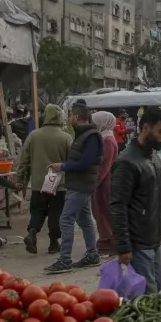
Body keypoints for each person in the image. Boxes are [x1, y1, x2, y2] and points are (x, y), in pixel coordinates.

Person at [110, 107, 161, 293]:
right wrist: (123, 246)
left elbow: (156, 197)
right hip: (138, 243)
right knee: (147, 295)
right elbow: (118, 206)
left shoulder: (154, 158)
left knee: (156, 287)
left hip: (153, 239)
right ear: (146, 128)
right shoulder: (126, 162)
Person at [44, 102, 103, 274]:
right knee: (84, 220)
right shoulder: (82, 135)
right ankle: (92, 254)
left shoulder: (91, 136)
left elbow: (86, 163)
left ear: (76, 117)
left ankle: (64, 260)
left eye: (70, 116)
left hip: (81, 185)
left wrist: (63, 167)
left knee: (66, 219)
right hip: (78, 184)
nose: (69, 119)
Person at [17, 104, 72, 255]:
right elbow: (72, 161)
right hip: (57, 180)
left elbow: (24, 160)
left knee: (37, 210)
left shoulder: (33, 135)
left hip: (39, 181)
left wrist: (21, 178)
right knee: (56, 212)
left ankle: (32, 233)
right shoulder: (65, 137)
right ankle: (54, 243)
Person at [91, 110, 120, 257]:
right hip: (104, 182)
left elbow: (104, 166)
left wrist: (93, 184)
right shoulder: (105, 137)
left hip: (104, 184)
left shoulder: (107, 140)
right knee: (101, 212)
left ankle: (108, 242)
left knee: (103, 213)